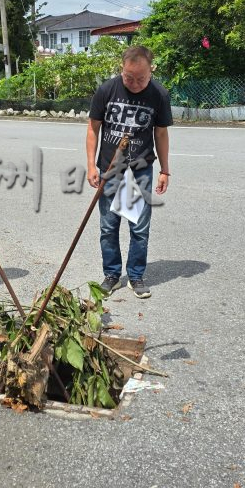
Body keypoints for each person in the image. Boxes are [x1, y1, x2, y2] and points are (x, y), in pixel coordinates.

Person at [86, 45, 172, 299]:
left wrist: (165, 170)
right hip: (111, 169)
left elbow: (161, 134)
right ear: (121, 69)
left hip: (140, 169)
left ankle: (136, 276)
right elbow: (93, 129)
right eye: (128, 77)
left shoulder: (159, 94)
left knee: (139, 227)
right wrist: (91, 165)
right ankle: (112, 275)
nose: (134, 84)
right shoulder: (106, 90)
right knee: (108, 226)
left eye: (141, 79)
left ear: (151, 70)